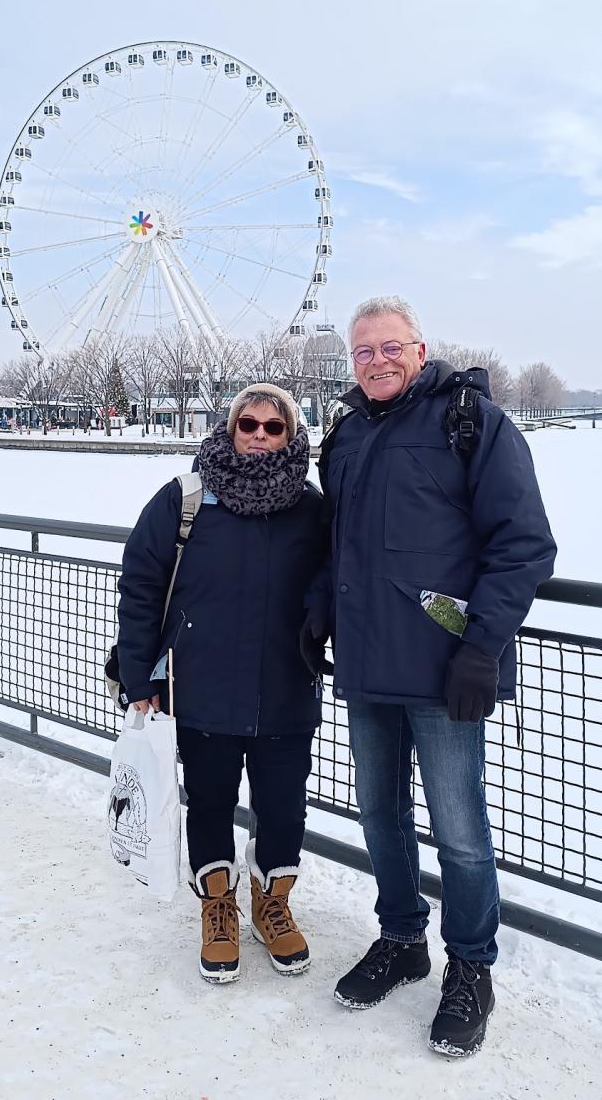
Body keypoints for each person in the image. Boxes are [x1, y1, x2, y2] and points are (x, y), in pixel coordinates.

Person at [303, 296, 556, 1056]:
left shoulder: (471, 422)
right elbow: (336, 543)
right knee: (379, 815)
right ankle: (401, 938)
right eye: (361, 352)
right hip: (368, 668)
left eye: (389, 347)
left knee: (461, 833)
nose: (375, 361)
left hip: (446, 673)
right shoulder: (345, 435)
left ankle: (472, 967)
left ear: (419, 349)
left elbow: (525, 543)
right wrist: (318, 613)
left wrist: (482, 646)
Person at [116, 384, 326, 984]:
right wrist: (137, 673)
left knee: (283, 806)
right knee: (209, 800)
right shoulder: (185, 499)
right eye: (248, 424)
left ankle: (272, 900)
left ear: (290, 435)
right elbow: (141, 586)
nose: (259, 434)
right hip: (202, 685)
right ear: (230, 428)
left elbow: (338, 579)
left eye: (273, 427)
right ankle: (217, 904)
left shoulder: (311, 510)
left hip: (287, 685)